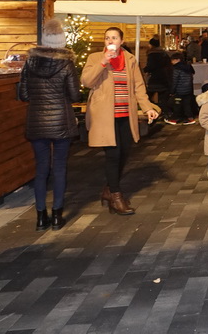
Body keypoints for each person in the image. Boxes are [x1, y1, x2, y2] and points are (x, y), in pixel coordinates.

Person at [82, 27, 160, 215]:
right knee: (113, 154)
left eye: (114, 37)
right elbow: (86, 81)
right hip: (104, 115)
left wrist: (147, 107)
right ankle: (116, 196)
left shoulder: (130, 60)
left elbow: (138, 87)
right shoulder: (95, 58)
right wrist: (103, 61)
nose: (111, 40)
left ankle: (109, 189)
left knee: (124, 152)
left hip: (126, 113)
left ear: (122, 41)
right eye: (107, 37)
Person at [17, 18, 80, 231]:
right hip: (61, 122)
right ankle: (57, 216)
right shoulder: (67, 64)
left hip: (36, 122)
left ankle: (40, 217)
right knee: (60, 167)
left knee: (41, 168)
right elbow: (74, 94)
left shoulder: (29, 63)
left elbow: (23, 94)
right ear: (61, 41)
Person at [165, 52, 196, 125]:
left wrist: (172, 91)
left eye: (172, 60)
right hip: (188, 90)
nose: (171, 62)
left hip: (179, 91)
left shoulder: (177, 68)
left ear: (177, 60)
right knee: (187, 105)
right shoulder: (188, 67)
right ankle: (190, 118)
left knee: (177, 105)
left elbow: (175, 81)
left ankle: (174, 119)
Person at [143, 37, 172, 116]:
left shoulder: (152, 54)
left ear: (151, 45)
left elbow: (151, 66)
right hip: (164, 78)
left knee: (148, 96)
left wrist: (144, 70)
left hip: (155, 78)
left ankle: (152, 110)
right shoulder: (164, 53)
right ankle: (165, 113)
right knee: (162, 99)